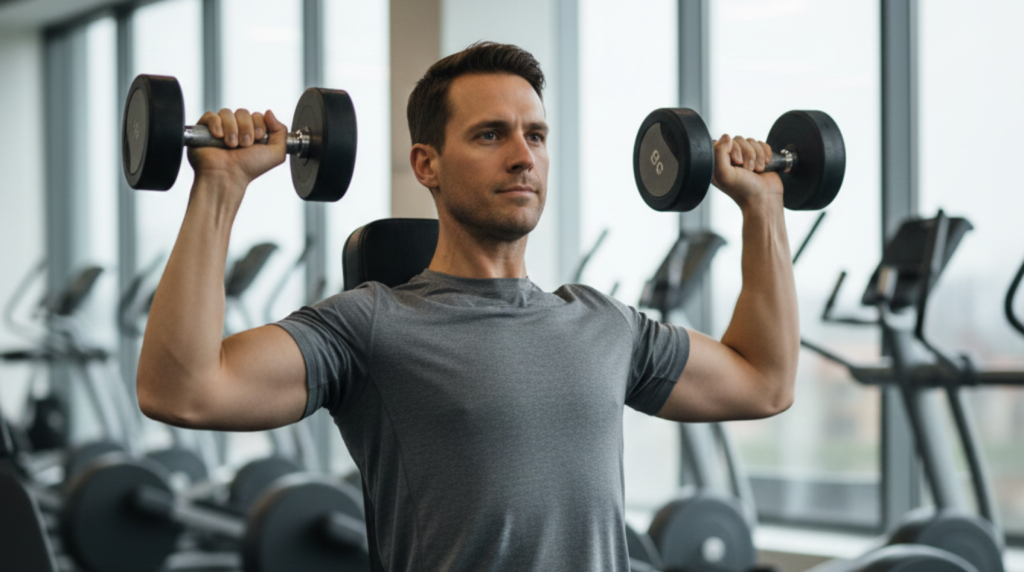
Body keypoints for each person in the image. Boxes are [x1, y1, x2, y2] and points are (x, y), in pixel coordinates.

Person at [137, 42, 798, 571]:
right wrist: (219, 189)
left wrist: (763, 208)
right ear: (427, 164)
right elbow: (183, 390)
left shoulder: (605, 323)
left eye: (535, 135)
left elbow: (764, 381)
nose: (522, 157)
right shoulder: (372, 326)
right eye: (490, 136)